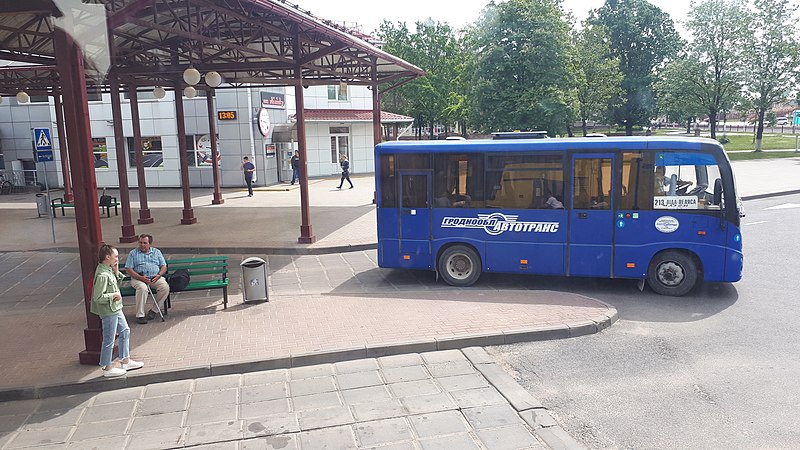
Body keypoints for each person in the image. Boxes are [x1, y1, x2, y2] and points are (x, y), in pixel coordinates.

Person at [92, 244, 144, 378]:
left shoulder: (108, 270)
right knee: (109, 338)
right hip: (109, 311)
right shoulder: (102, 274)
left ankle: (125, 360)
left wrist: (115, 270)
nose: (117, 259)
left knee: (125, 330)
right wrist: (112, 296)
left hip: (116, 308)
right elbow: (98, 297)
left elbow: (116, 282)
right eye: (115, 256)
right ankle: (107, 366)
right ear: (107, 257)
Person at [125, 234, 169, 324]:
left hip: (154, 277)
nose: (142, 245)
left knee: (165, 287)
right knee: (142, 288)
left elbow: (164, 266)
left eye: (145, 243)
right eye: (140, 243)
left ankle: (154, 311)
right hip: (138, 278)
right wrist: (140, 277)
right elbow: (129, 269)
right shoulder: (133, 253)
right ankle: (140, 315)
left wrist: (159, 275)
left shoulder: (157, 252)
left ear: (150, 244)